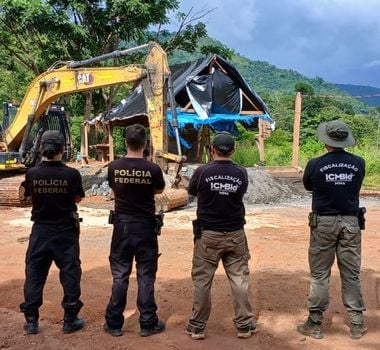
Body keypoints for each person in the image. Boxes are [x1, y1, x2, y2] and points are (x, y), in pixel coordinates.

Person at [297, 120, 367, 340]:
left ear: (326, 140)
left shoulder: (315, 164)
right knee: (351, 274)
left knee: (320, 275)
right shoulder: (359, 163)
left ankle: (315, 323)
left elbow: (308, 185)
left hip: (324, 223)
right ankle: (356, 324)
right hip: (351, 222)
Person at [185, 132, 255, 340]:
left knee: (202, 280)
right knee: (239, 280)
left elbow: (192, 192)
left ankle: (197, 326)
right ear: (233, 150)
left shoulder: (202, 172)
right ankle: (244, 326)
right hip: (235, 234)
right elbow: (240, 193)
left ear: (212, 149)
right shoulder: (241, 172)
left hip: (208, 235)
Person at [20, 130, 85, 335]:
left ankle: (31, 321)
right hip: (65, 232)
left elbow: (26, 197)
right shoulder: (71, 174)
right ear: (63, 149)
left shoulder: (32, 174)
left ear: (41, 148)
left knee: (34, 274)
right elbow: (78, 198)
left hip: (40, 231)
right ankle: (70, 319)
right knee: (70, 274)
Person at [104, 124, 166, 337]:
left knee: (120, 275)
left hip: (121, 227)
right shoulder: (153, 169)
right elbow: (158, 190)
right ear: (145, 143)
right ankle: (148, 323)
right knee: (145, 275)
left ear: (125, 142)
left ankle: (113, 323)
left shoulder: (113, 167)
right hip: (145, 227)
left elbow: (114, 188)